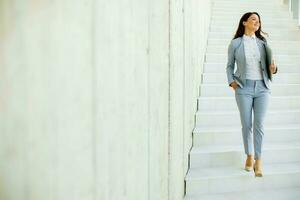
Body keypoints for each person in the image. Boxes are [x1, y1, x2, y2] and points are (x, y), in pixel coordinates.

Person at [226, 12, 278, 177]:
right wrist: (232, 82)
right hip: (244, 88)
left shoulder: (263, 43)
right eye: (253, 19)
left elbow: (271, 65)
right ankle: (249, 154)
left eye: (258, 20)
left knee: (259, 125)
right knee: (247, 124)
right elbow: (229, 66)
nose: (257, 22)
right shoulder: (235, 43)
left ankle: (258, 160)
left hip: (262, 87)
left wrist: (274, 69)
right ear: (244, 23)